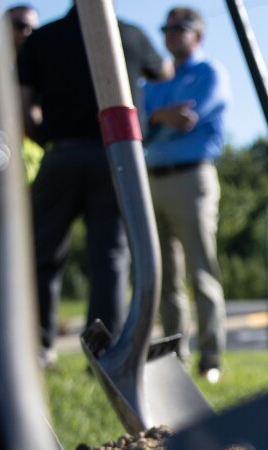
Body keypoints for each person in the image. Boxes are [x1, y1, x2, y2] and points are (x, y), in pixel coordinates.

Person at [17, 2, 173, 369]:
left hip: (61, 152)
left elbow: (24, 107)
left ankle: (39, 348)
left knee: (42, 255)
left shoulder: (42, 38)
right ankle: (103, 355)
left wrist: (40, 136)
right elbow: (165, 69)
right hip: (116, 158)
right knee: (111, 258)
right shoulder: (132, 35)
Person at [144, 7, 229, 383]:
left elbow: (188, 115)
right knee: (166, 277)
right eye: (167, 29)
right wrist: (163, 118)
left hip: (193, 179)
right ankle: (177, 356)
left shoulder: (210, 72)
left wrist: (155, 118)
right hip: (154, 180)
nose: (171, 34)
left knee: (201, 272)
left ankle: (211, 359)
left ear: (198, 35)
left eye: (180, 28)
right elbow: (143, 124)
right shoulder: (154, 79)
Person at [1, 4, 44, 185]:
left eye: (33, 29)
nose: (26, 32)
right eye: (19, 25)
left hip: (34, 163)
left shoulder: (44, 72)